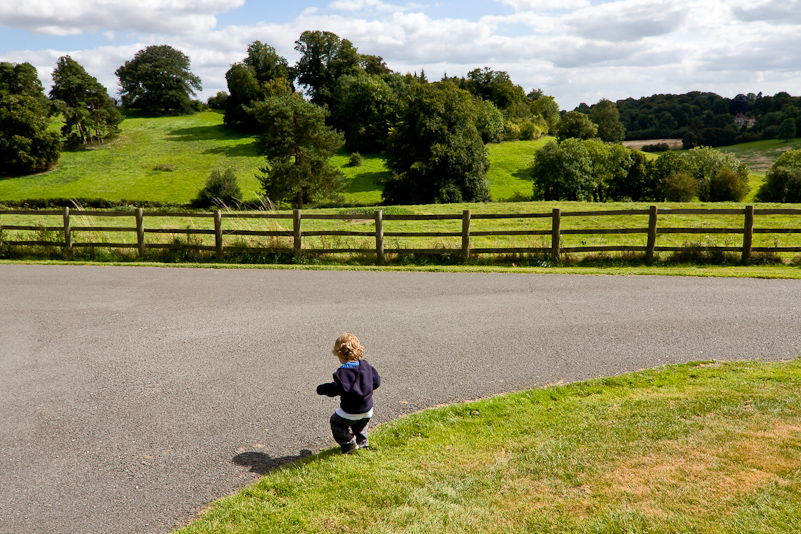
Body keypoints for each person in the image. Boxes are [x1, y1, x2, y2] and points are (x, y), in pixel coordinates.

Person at [317, 333, 381, 453]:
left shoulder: (343, 373)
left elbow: (334, 389)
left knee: (337, 423)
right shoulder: (366, 366)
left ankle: (349, 443)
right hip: (367, 409)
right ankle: (363, 444)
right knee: (361, 426)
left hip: (350, 411)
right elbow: (376, 382)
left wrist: (321, 389)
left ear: (340, 355)